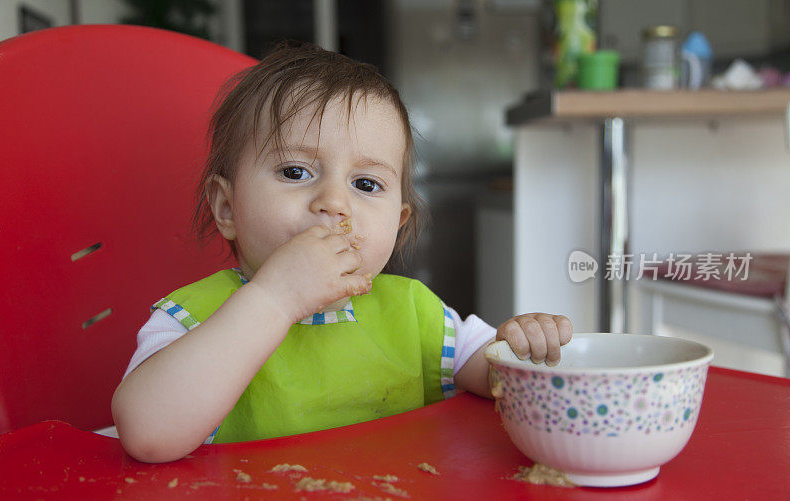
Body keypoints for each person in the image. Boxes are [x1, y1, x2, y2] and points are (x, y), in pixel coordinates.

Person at [111, 43, 573, 463]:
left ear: (397, 223)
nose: (334, 202)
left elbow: (506, 381)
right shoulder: (193, 319)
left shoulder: (418, 317)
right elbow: (149, 433)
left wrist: (524, 345)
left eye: (366, 184)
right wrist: (274, 299)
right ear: (228, 207)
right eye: (295, 171)